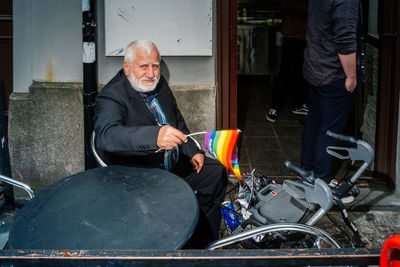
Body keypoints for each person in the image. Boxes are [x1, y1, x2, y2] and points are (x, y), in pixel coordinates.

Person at [93, 40, 228, 248]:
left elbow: (177, 121)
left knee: (214, 173)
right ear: (127, 67)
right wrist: (154, 136)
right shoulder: (112, 96)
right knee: (167, 206)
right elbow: (107, 136)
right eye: (143, 66)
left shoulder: (160, 83)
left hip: (172, 164)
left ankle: (202, 245)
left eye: (155, 66)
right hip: (142, 175)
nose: (151, 73)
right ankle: (171, 247)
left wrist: (192, 150)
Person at [300, 0, 364, 202]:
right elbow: (345, 38)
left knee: (315, 121)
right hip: (333, 73)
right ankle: (322, 185)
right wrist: (351, 76)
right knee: (330, 130)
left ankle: (307, 176)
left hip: (315, 67)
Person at [266, 0, 309, 123]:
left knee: (304, 72)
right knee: (286, 72)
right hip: (293, 35)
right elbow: (286, 5)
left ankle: (298, 104)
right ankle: (274, 107)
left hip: (307, 36)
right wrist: (313, 12)